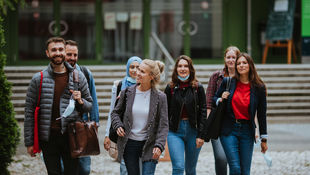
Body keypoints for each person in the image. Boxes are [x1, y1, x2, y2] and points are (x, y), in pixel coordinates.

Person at [24, 37, 93, 175]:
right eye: (53, 50)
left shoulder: (78, 76)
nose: (58, 53)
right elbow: (29, 112)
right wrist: (29, 142)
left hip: (71, 136)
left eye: (61, 49)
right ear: (47, 53)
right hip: (48, 138)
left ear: (64, 51)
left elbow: (89, 105)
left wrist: (80, 101)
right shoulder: (38, 79)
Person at [111, 59, 168, 175]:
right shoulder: (127, 92)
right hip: (129, 144)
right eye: (138, 69)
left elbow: (163, 125)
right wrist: (118, 125)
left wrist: (159, 144)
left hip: (150, 145)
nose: (137, 73)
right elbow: (115, 113)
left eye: (142, 71)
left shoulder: (161, 97)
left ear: (151, 76)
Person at [213, 53, 268, 175]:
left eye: (244, 63)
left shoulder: (259, 87)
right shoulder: (228, 82)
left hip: (247, 131)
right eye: (239, 63)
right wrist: (220, 99)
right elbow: (214, 98)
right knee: (235, 168)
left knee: (245, 171)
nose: (241, 65)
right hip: (228, 130)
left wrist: (264, 138)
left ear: (250, 65)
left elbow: (262, 115)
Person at [164, 55, 207, 175]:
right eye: (180, 66)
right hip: (174, 132)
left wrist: (201, 135)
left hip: (193, 131)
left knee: (190, 169)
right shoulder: (170, 88)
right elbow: (165, 112)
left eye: (186, 66)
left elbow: (203, 111)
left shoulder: (198, 88)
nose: (183, 69)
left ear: (190, 69)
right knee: (178, 167)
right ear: (176, 69)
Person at [65, 40, 99, 175]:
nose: (72, 58)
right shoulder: (57, 75)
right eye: (69, 54)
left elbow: (93, 101)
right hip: (62, 128)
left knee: (84, 169)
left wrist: (95, 124)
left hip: (81, 127)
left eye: (75, 55)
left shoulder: (85, 73)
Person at [104, 56, 142, 175]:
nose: (134, 70)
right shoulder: (119, 85)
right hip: (123, 132)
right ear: (127, 68)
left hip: (140, 132)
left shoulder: (145, 86)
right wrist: (107, 135)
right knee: (125, 167)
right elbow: (113, 110)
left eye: (138, 67)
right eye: (132, 67)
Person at [206, 46, 240, 175]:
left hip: (237, 124)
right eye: (228, 57)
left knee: (235, 161)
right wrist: (207, 125)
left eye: (234, 57)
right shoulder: (216, 76)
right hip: (218, 123)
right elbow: (209, 102)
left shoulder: (243, 76)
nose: (231, 60)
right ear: (225, 59)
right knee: (221, 158)